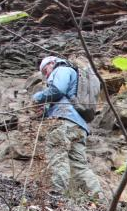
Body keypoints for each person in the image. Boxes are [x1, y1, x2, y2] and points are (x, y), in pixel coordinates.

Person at [32, 55, 103, 202]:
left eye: (46, 71)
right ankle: (99, 201)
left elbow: (57, 90)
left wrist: (38, 97)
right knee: (80, 166)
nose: (46, 75)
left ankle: (57, 196)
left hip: (64, 121)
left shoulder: (62, 69)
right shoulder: (75, 75)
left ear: (52, 63)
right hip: (80, 126)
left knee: (57, 156)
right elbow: (63, 96)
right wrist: (44, 113)